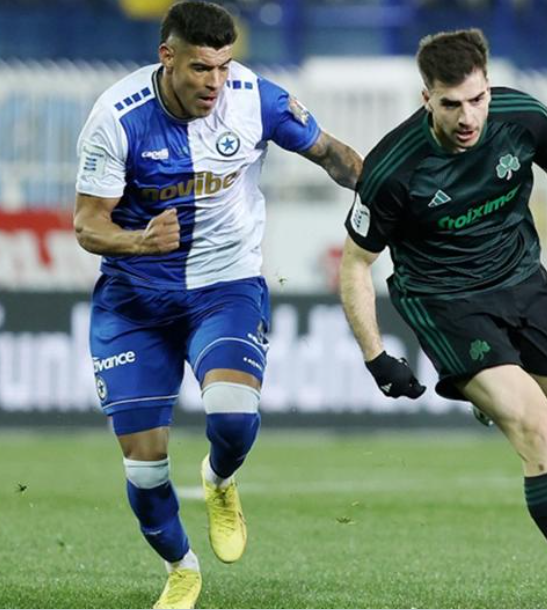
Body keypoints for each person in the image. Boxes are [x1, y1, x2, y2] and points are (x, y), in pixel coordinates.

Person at [73, 2, 362, 608]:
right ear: (167, 57)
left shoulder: (256, 100)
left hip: (225, 287)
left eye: (225, 67)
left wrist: (391, 193)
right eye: (202, 68)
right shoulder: (117, 118)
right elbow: (87, 225)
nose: (216, 82)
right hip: (134, 302)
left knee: (232, 418)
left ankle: (219, 478)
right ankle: (181, 569)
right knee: (145, 468)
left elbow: (333, 154)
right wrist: (139, 241)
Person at [340, 29, 547, 583]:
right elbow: (356, 264)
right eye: (451, 104)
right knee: (534, 424)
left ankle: (490, 397)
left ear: (489, 86)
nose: (468, 117)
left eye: (477, 99)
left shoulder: (523, 116)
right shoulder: (392, 170)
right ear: (426, 98)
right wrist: (375, 355)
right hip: (446, 302)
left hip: (524, 282)